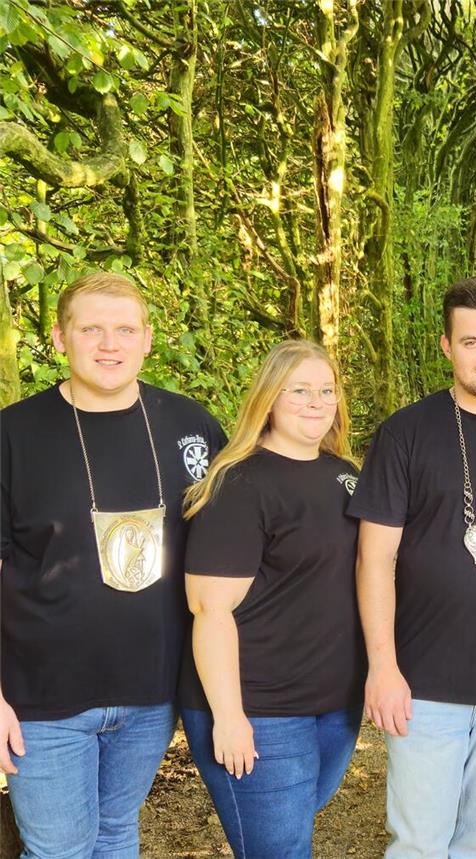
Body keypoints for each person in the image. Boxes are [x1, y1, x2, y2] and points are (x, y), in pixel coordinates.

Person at [0, 272, 225, 857]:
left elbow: (231, 555)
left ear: (147, 339)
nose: (109, 344)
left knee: (116, 833)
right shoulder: (12, 435)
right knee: (59, 850)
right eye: (90, 328)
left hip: (151, 692)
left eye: (125, 329)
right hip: (41, 696)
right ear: (58, 337)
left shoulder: (190, 426)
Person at [349, 276, 476, 858]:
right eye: (470, 342)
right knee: (419, 842)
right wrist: (382, 667)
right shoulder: (406, 433)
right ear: (446, 346)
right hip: (425, 681)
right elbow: (374, 557)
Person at [177, 339, 365, 859]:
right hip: (260, 708)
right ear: (268, 399)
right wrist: (230, 716)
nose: (316, 401)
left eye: (326, 390)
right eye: (298, 390)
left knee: (287, 837)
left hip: (335, 705)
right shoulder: (240, 483)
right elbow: (209, 608)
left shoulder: (347, 475)